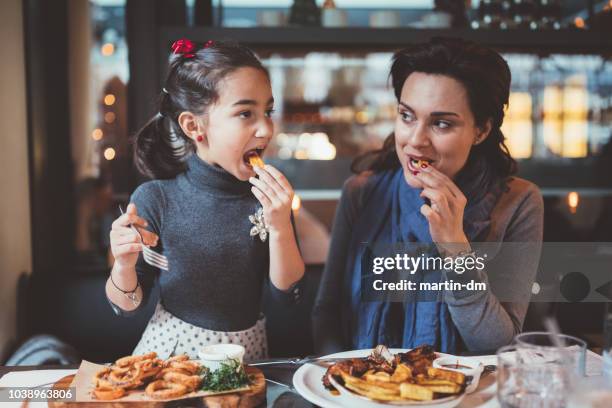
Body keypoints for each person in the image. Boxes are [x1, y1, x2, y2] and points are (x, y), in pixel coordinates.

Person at [313, 38, 544, 354]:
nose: (416, 141)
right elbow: (327, 311)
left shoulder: (518, 202)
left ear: (481, 130)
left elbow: (498, 346)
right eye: (407, 116)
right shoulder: (362, 192)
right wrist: (343, 382)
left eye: (441, 123)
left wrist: (455, 246)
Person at [105, 39, 305, 361]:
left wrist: (281, 228)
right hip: (173, 359)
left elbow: (287, 298)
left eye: (268, 111)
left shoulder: (268, 199)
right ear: (194, 126)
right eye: (245, 113)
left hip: (248, 357)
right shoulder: (156, 199)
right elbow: (126, 307)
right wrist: (124, 265)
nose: (266, 129)